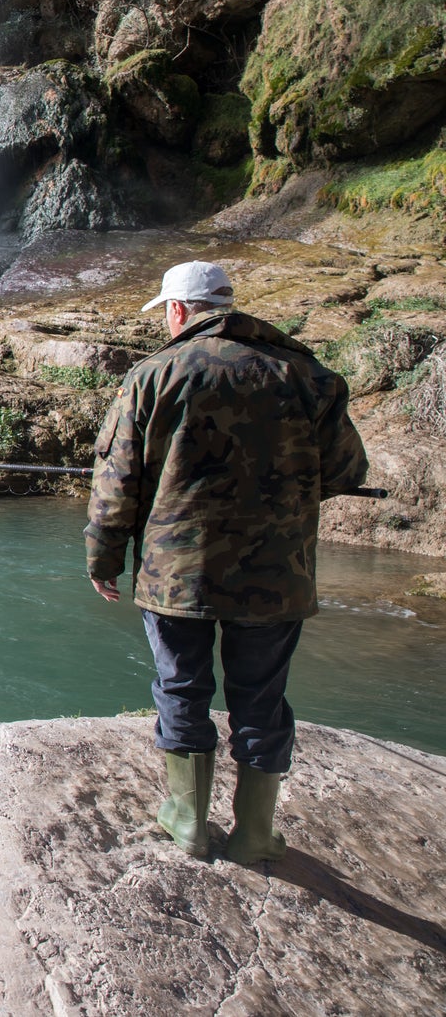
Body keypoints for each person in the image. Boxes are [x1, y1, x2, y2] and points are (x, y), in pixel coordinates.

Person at [85, 259, 368, 865]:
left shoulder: (153, 376)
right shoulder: (307, 375)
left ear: (179, 311)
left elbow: (116, 486)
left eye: (165, 312)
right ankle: (255, 834)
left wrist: (103, 557)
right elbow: (347, 471)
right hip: (278, 574)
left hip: (176, 575)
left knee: (182, 687)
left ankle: (187, 822)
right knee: (262, 697)